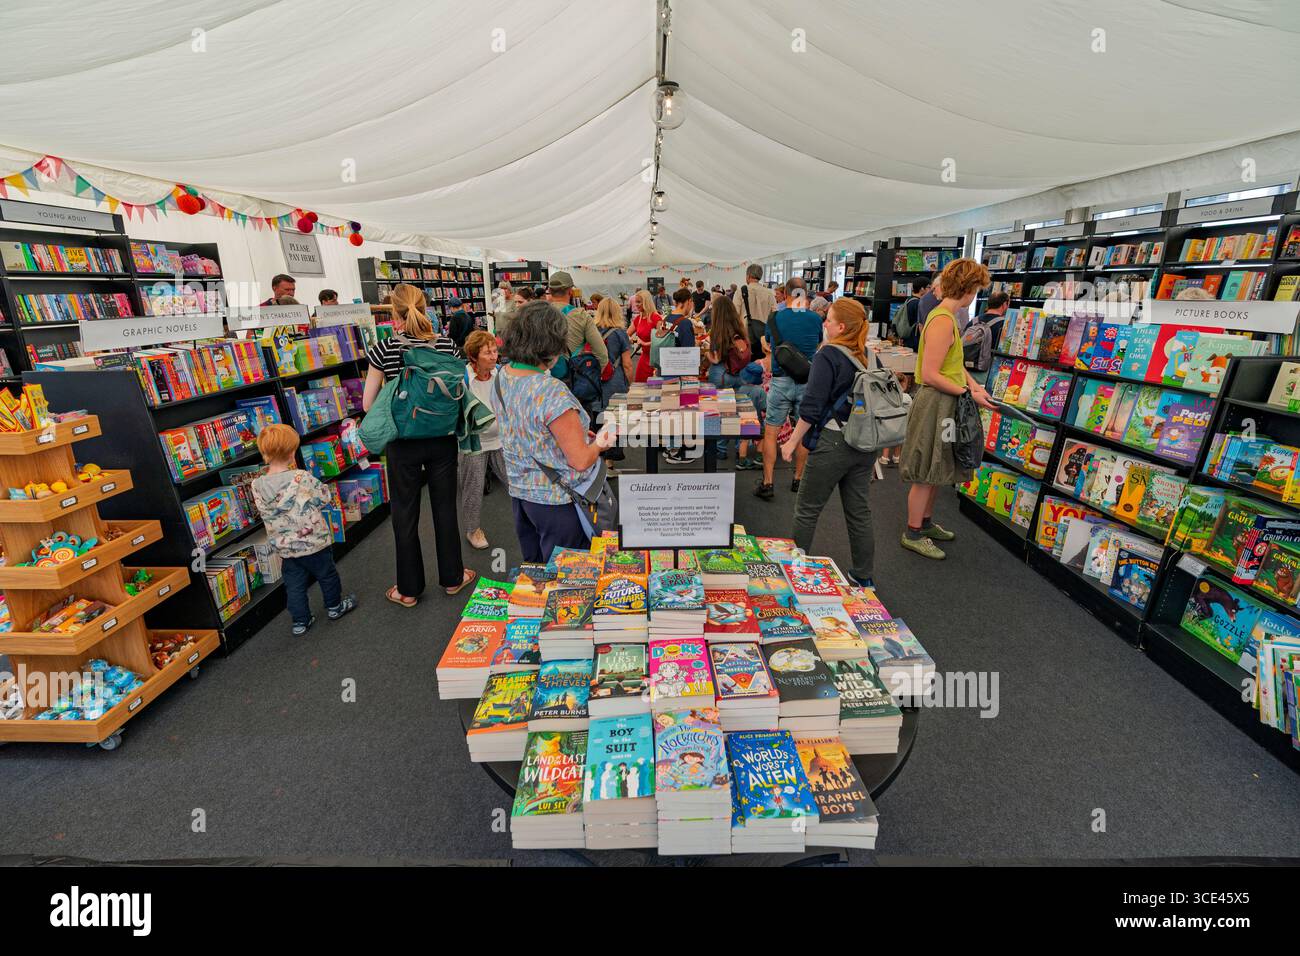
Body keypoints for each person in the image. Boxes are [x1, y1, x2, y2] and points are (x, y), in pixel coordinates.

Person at [362, 283, 475, 605]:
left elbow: (369, 404)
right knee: (444, 509)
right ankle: (453, 578)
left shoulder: (383, 349)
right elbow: (460, 393)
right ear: (425, 308)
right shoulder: (448, 346)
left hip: (402, 441)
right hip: (442, 438)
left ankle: (408, 589)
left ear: (393, 313)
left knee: (404, 513)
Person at [496, 301, 613, 562]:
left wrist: (575, 435)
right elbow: (580, 460)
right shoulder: (551, 391)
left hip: (521, 494)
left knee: (538, 579)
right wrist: (601, 443)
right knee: (572, 583)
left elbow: (525, 429)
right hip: (559, 502)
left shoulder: (502, 376)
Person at [899, 258, 995, 560]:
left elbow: (950, 365)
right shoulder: (942, 321)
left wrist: (973, 386)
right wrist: (969, 392)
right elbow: (929, 374)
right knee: (926, 469)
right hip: (936, 402)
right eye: (977, 288)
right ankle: (913, 532)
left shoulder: (948, 317)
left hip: (947, 399)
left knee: (938, 465)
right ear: (968, 289)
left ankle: (924, 524)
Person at [779, 298, 879, 588]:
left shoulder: (828, 355)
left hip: (834, 441)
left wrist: (792, 441)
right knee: (859, 511)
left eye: (829, 319)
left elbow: (812, 405)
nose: (824, 323)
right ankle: (863, 576)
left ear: (841, 327)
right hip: (865, 443)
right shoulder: (869, 356)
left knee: (808, 508)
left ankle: (795, 574)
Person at [251, 423, 357, 635]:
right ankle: (335, 607)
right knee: (327, 575)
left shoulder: (257, 485)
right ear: (291, 453)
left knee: (294, 585)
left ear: (264, 452)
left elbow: (265, 512)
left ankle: (300, 621)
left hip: (285, 547)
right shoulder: (301, 477)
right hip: (313, 542)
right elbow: (323, 498)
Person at [755, 278, 822, 500]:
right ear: (805, 293)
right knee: (803, 431)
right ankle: (798, 479)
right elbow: (819, 344)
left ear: (786, 293)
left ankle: (768, 483)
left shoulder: (776, 318)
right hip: (807, 382)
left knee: (772, 433)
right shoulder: (815, 319)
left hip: (780, 380)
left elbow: (767, 343)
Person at [457, 330, 509, 551]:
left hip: (501, 439)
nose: (494, 356)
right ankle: (472, 530)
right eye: (487, 352)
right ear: (473, 356)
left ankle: (531, 519)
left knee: (515, 482)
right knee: (473, 488)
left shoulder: (500, 374)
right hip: (474, 443)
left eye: (495, 351)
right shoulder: (464, 377)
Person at [706, 296, 765, 469]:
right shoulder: (739, 329)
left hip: (720, 375)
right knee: (736, 410)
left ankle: (720, 448)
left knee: (719, 412)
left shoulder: (718, 331)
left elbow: (716, 359)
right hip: (737, 375)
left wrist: (706, 354)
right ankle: (741, 448)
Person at [545, 271, 608, 366]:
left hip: (543, 375)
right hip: (573, 375)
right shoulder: (581, 315)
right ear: (571, 291)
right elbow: (601, 352)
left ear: (549, 290)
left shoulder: (538, 314)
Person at [595, 297, 634, 406]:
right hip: (615, 382)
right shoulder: (620, 333)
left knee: (596, 419)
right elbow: (627, 365)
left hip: (593, 382)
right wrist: (631, 384)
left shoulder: (592, 331)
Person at [733, 264, 776, 362]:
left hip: (745, 337)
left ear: (748, 276)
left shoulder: (740, 292)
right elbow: (774, 315)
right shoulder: (769, 293)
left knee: (746, 365)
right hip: (763, 338)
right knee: (761, 367)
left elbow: (734, 315)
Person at [631, 290, 660, 383]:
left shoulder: (656, 318)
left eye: (639, 302)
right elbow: (626, 334)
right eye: (636, 302)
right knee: (639, 388)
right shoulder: (638, 319)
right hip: (644, 358)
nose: (636, 304)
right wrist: (632, 339)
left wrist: (644, 343)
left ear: (646, 302)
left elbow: (661, 341)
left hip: (656, 360)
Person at [897, 277, 930, 352]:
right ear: (922, 289)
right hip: (915, 341)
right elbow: (921, 324)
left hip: (907, 339)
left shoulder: (909, 300)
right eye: (928, 287)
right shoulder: (918, 303)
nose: (930, 290)